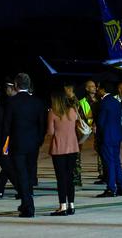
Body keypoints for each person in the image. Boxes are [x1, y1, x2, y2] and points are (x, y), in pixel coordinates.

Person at [2, 72, 47, 218]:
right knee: (29, 172)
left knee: (21, 174)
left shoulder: (12, 102)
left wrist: (5, 144)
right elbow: (42, 125)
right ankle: (26, 202)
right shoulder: (38, 102)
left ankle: (28, 204)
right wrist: (39, 140)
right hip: (33, 143)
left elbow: (6, 126)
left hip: (18, 143)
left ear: (16, 85)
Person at [47, 89, 80, 217]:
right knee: (69, 177)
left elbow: (50, 132)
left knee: (61, 178)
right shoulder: (72, 111)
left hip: (59, 148)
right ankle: (71, 204)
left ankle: (62, 206)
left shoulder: (53, 112)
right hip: (72, 147)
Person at [95, 81, 122, 197]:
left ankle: (111, 188)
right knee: (116, 162)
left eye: (99, 88)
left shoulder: (104, 103)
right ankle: (121, 187)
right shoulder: (116, 102)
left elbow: (101, 122)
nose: (97, 90)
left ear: (103, 90)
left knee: (109, 163)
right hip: (117, 135)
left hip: (107, 136)